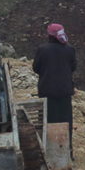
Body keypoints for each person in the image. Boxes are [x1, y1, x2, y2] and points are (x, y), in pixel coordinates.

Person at [33, 23, 77, 159]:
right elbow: (73, 67)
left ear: (49, 36)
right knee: (66, 122)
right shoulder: (70, 49)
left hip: (47, 92)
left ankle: (49, 154)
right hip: (65, 92)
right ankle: (67, 154)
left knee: (48, 122)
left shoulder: (42, 50)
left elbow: (36, 68)